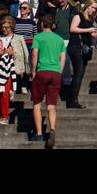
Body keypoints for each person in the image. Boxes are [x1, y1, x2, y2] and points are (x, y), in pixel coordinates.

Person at [29, 14, 66, 148]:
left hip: (42, 71)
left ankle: (39, 133)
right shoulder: (59, 39)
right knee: (51, 105)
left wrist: (33, 71)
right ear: (53, 25)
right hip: (55, 72)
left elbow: (34, 54)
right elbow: (63, 56)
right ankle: (52, 129)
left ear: (42, 24)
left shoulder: (38, 37)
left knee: (37, 103)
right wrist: (60, 71)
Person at [0, 16, 27, 127]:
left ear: (12, 27)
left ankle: (4, 116)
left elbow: (24, 54)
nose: (4, 30)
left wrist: (12, 53)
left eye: (7, 27)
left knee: (4, 94)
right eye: (3, 27)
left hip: (9, 70)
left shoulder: (18, 38)